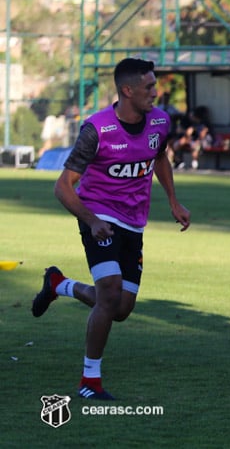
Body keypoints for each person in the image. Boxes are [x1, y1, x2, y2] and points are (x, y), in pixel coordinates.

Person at [30, 57, 192, 400]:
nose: (155, 91)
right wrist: (92, 221)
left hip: (134, 221)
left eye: (155, 84)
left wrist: (174, 202)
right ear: (127, 90)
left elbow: (159, 156)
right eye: (149, 86)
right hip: (99, 217)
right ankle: (90, 381)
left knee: (120, 309)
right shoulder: (97, 130)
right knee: (109, 292)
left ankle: (60, 285)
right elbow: (63, 187)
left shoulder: (160, 121)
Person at [170, 105, 214, 170]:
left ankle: (194, 164)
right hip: (189, 139)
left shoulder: (204, 123)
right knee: (177, 143)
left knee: (196, 145)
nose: (192, 117)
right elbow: (179, 130)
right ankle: (178, 161)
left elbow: (202, 136)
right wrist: (187, 133)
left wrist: (196, 139)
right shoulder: (187, 120)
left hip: (202, 141)